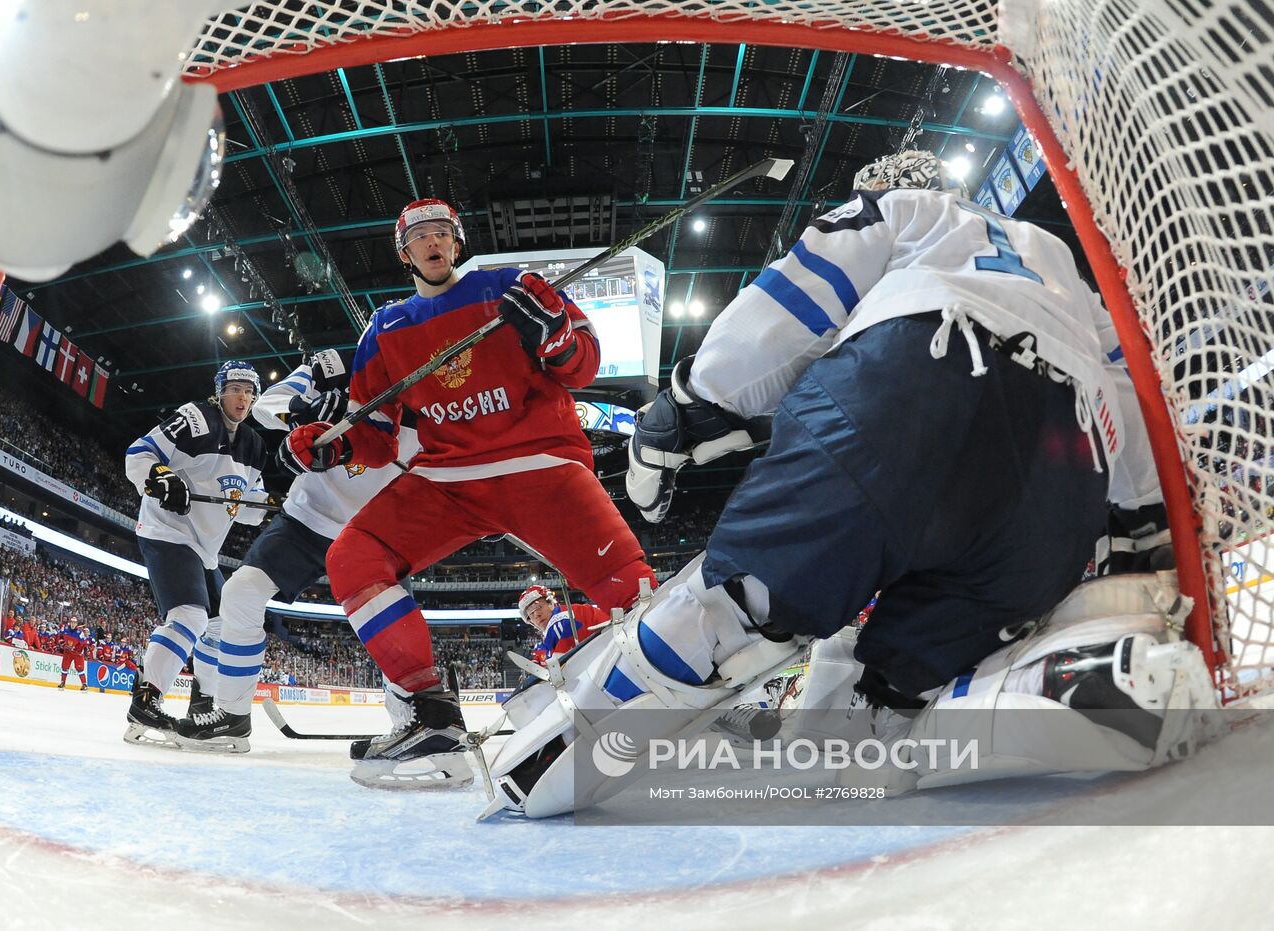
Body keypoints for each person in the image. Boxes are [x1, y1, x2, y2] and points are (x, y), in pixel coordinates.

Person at [486, 151, 1215, 818]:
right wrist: (1139, 521)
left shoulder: (907, 210)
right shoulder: (1060, 262)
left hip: (907, 394)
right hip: (1064, 472)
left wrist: (687, 404)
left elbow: (798, 299)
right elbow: (1129, 394)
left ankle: (550, 759)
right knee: (899, 694)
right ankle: (1062, 680)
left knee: (731, 606)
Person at [280, 198, 657, 786]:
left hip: (539, 464)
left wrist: (554, 333)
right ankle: (432, 719)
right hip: (447, 481)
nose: (432, 243)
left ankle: (669, 696)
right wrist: (331, 445)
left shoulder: (512, 288)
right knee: (354, 557)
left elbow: (582, 368)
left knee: (632, 590)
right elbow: (376, 438)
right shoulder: (385, 329)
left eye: (441, 233)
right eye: (419, 237)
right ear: (404, 253)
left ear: (456, 243)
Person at [174, 350, 422, 763]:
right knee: (240, 593)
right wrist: (300, 414)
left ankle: (409, 724)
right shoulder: (338, 368)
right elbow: (268, 402)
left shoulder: (430, 393)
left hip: (379, 528)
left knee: (394, 628)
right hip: (309, 516)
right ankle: (232, 718)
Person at [122, 361, 270, 746]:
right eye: (236, 388)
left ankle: (203, 703)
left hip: (204, 550)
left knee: (219, 625)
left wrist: (276, 503)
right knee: (189, 615)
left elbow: (250, 510)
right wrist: (160, 477)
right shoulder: (194, 419)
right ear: (219, 391)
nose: (243, 397)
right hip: (167, 531)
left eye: (249, 391)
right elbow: (138, 454)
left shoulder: (254, 446)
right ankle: (146, 700)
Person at [518, 584, 606, 667]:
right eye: (531, 613)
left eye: (538, 607)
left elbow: (560, 673)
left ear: (550, 603)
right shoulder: (565, 613)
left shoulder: (558, 620)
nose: (536, 614)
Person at [57, 617, 88, 691]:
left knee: (80, 668)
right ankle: (63, 683)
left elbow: (85, 643)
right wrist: (62, 643)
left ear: (76, 624)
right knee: (64, 667)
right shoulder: (65, 628)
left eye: (74, 623)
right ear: (70, 622)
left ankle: (84, 685)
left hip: (77, 653)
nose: (73, 624)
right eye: (72, 622)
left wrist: (85, 651)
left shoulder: (80, 633)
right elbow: (60, 636)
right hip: (68, 652)